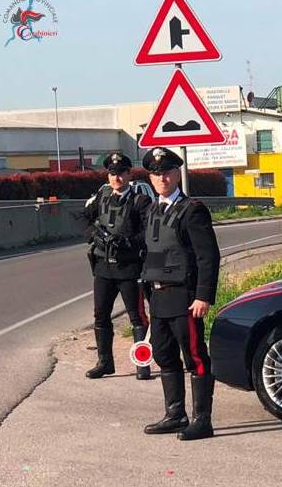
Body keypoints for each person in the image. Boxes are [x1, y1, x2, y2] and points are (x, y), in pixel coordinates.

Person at [140, 148, 221, 441]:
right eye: (155, 174)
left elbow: (207, 257)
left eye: (166, 172)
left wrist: (204, 296)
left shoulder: (192, 210)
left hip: (185, 297)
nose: (161, 178)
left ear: (176, 174)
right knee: (163, 355)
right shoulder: (151, 211)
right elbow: (155, 253)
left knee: (196, 357)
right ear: (149, 178)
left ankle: (203, 420)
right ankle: (175, 414)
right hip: (159, 297)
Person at [84, 152, 153, 380]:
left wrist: (128, 242)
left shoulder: (140, 200)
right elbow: (83, 220)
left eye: (121, 173)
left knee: (137, 317)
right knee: (100, 315)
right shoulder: (101, 197)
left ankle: (142, 364)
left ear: (128, 174)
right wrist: (95, 236)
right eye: (112, 174)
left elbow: (150, 232)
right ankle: (104, 362)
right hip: (103, 267)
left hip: (129, 267)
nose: (116, 178)